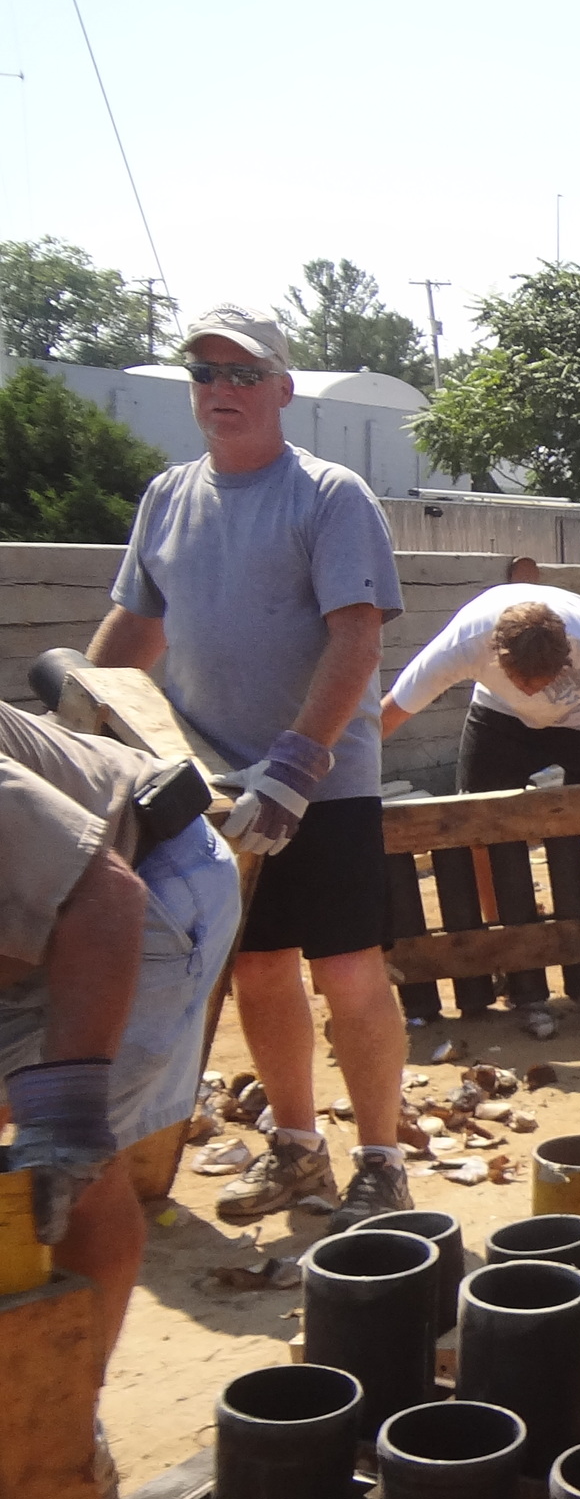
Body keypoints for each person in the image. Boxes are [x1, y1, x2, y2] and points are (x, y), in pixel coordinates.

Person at [86, 304, 413, 1231]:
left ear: (282, 388)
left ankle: (382, 1162)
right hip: (214, 788)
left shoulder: (329, 495)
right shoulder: (167, 497)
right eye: (205, 372)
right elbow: (135, 630)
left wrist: (296, 765)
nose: (220, 389)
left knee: (347, 970)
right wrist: (79, 723)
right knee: (260, 971)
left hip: (323, 783)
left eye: (241, 373)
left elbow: (356, 639)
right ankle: (299, 1151)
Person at [0, 704, 241, 1409]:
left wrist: (63, 1120)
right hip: (56, 904)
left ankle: (67, 1427)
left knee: (71, 1172)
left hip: (145, 884)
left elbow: (105, 897)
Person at [381, 560, 580, 1022]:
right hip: (501, 721)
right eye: (522, 683)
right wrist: (339, 775)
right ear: (496, 655)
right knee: (477, 825)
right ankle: (506, 950)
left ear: (567, 659)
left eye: (542, 683)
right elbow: (389, 713)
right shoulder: (465, 641)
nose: (533, 693)